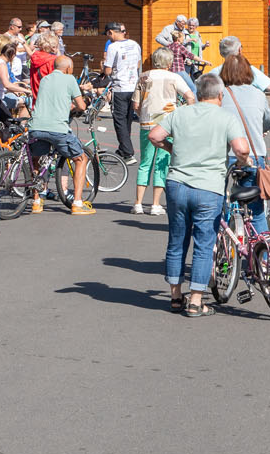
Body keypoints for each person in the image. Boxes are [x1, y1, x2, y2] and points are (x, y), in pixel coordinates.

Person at [150, 73, 249, 317]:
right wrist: (240, 164)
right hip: (209, 187)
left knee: (177, 240)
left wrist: (173, 149)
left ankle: (175, 296)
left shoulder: (180, 113)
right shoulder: (226, 117)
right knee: (204, 244)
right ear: (220, 95)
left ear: (199, 93)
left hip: (177, 184)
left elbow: (154, 136)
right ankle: (195, 300)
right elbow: (241, 149)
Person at [27, 54, 95, 216]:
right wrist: (82, 106)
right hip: (57, 128)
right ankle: (77, 203)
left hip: (36, 126)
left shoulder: (45, 80)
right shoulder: (70, 79)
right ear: (68, 68)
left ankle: (37, 201)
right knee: (80, 159)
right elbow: (80, 105)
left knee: (38, 162)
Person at [134, 50, 195, 214]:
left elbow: (136, 104)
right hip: (167, 124)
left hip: (146, 123)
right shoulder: (174, 77)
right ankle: (155, 204)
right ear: (169, 63)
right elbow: (190, 97)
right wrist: (180, 112)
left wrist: (143, 115)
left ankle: (138, 203)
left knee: (145, 162)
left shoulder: (143, 76)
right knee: (162, 162)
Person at [218, 53, 270, 234]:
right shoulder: (259, 94)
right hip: (254, 153)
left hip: (225, 155)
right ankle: (263, 258)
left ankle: (225, 243)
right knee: (257, 211)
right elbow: (267, 122)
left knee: (219, 201)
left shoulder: (220, 95)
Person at [103, 21, 142, 164]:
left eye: (108, 34)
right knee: (127, 119)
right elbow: (138, 64)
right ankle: (123, 147)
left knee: (119, 120)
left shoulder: (113, 47)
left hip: (120, 86)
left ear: (111, 33)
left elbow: (107, 70)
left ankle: (127, 152)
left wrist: (106, 68)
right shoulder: (135, 44)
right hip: (133, 85)